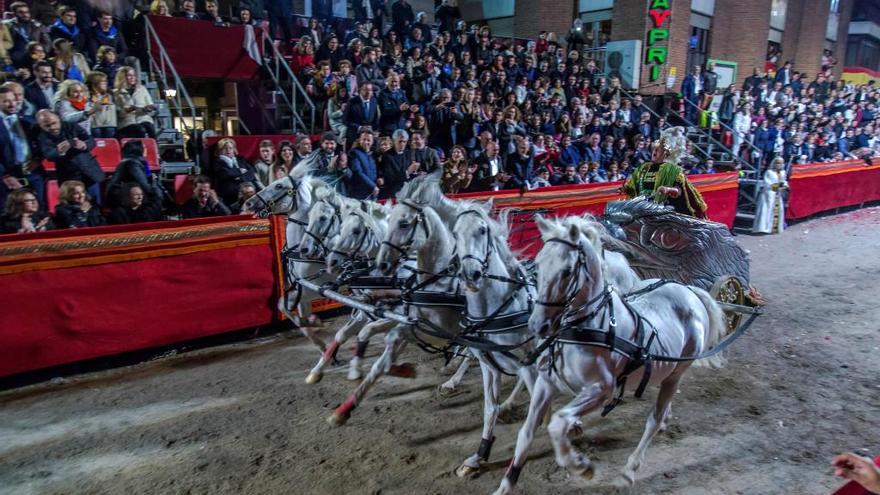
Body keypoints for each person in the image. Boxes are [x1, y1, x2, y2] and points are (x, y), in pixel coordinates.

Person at [622, 127, 707, 218]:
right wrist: (627, 187)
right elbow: (634, 184)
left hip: (662, 211)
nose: (654, 153)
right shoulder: (644, 167)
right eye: (654, 149)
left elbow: (680, 190)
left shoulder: (674, 171)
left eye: (658, 150)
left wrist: (669, 190)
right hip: (642, 206)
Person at [37, 109, 105, 202]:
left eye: (54, 123)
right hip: (68, 177)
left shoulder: (71, 126)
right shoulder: (42, 136)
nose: (52, 127)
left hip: (89, 172)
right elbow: (49, 155)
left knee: (96, 204)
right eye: (47, 126)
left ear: (58, 118)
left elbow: (91, 141)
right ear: (40, 125)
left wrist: (84, 145)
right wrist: (60, 151)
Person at [105, 139, 154, 208]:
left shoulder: (142, 162)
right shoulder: (132, 164)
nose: (145, 149)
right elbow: (145, 186)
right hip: (125, 198)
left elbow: (148, 178)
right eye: (144, 147)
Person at [4, 1, 52, 69]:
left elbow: (47, 43)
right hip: (15, 59)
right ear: (14, 13)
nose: (25, 14)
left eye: (27, 12)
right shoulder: (7, 25)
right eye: (21, 12)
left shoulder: (38, 25)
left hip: (35, 58)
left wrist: (41, 53)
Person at [114, 66, 156, 138]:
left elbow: (150, 104)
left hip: (143, 118)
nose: (133, 77)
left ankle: (154, 148)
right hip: (127, 121)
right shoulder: (116, 93)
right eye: (129, 75)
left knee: (150, 128)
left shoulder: (142, 89)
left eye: (133, 75)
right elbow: (118, 112)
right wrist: (127, 110)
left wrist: (150, 108)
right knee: (140, 130)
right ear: (123, 77)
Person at [213, 138, 258, 205]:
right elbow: (224, 174)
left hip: (247, 190)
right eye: (225, 148)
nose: (228, 150)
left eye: (230, 148)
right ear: (220, 150)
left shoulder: (241, 159)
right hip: (230, 193)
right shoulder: (217, 162)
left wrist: (239, 178)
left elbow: (251, 172)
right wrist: (240, 171)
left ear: (234, 149)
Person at [752, 157, 788, 234]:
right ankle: (764, 228)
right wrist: (778, 186)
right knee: (766, 210)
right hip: (768, 194)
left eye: (781, 163)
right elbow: (767, 183)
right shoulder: (769, 172)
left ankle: (774, 228)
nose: (779, 165)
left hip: (778, 194)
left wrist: (784, 185)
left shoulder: (783, 172)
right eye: (778, 163)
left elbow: (784, 182)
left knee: (777, 210)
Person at [343, 83, 379, 148]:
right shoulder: (352, 102)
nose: (368, 92)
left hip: (369, 137)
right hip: (355, 136)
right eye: (365, 90)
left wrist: (375, 129)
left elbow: (375, 118)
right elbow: (345, 120)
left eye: (370, 90)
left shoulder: (374, 100)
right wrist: (360, 128)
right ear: (360, 90)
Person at [346, 128, 379, 199]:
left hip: (371, 193)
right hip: (358, 193)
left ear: (372, 141)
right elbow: (358, 172)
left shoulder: (373, 154)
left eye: (368, 140)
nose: (366, 142)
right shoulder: (353, 153)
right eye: (364, 139)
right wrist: (373, 186)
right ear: (359, 140)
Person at [378, 128, 410, 198]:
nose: (402, 144)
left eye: (404, 142)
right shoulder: (387, 156)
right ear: (394, 141)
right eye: (400, 141)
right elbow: (390, 178)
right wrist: (407, 172)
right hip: (392, 192)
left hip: (406, 191)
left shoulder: (408, 153)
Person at [85, 72, 116, 138]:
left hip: (108, 125)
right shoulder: (87, 95)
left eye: (106, 81)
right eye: (103, 82)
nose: (106, 83)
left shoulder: (110, 95)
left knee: (109, 131)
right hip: (95, 125)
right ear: (95, 83)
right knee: (96, 132)